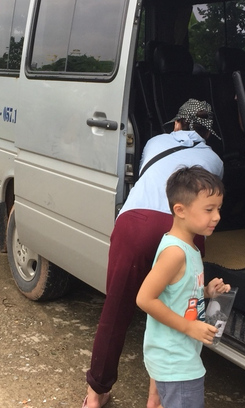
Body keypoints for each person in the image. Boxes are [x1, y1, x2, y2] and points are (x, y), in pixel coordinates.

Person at [84, 99, 224, 408]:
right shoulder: (213, 158)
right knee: (178, 300)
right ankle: (156, 399)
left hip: (134, 223)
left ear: (176, 124)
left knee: (116, 310)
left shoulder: (155, 142)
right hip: (181, 228)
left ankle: (96, 395)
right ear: (209, 135)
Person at [136, 166, 230, 408]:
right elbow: (145, 299)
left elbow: (178, 292)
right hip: (176, 361)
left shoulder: (190, 246)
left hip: (175, 355)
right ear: (180, 210)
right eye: (209, 209)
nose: (217, 216)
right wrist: (189, 327)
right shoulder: (175, 253)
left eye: (218, 208)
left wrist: (207, 291)